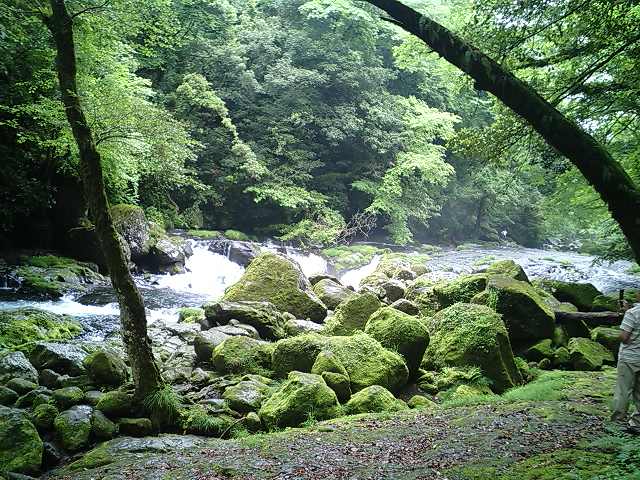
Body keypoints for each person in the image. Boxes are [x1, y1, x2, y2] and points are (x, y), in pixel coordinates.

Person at [611, 291, 640, 432]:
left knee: (623, 390)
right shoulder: (632, 311)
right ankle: (637, 423)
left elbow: (624, 337)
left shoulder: (632, 314)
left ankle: (618, 421)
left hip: (629, 358)